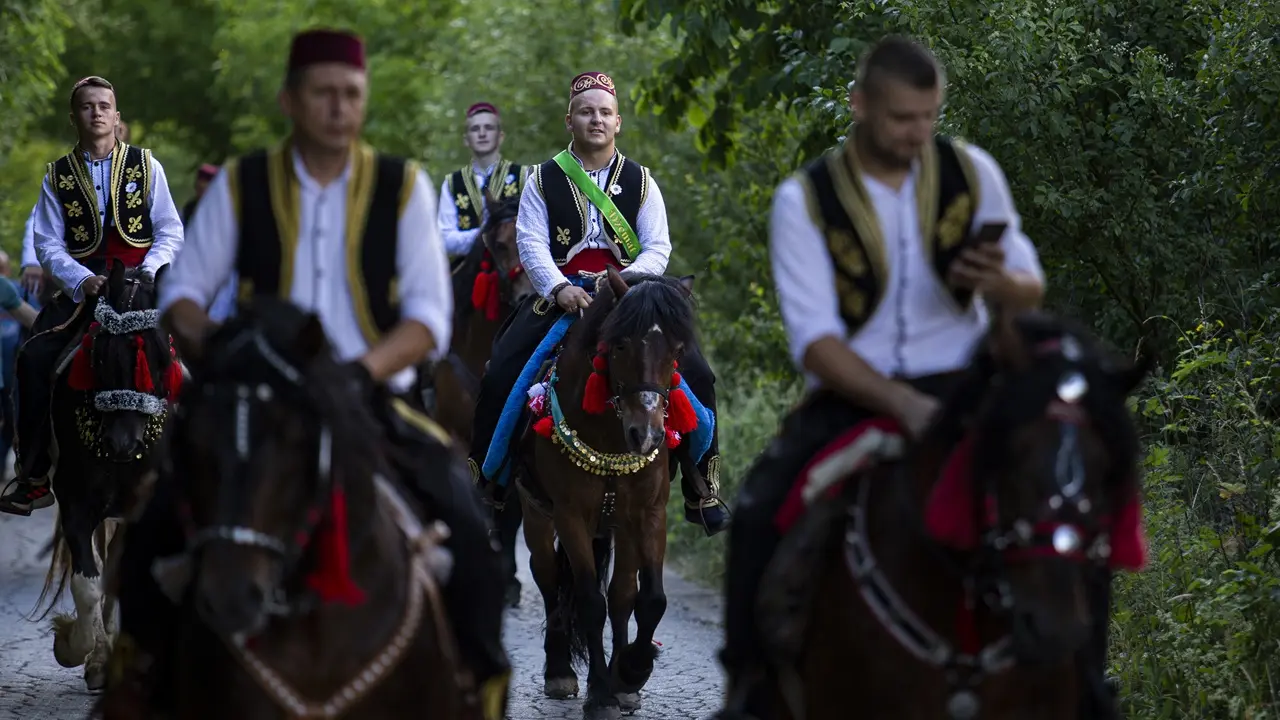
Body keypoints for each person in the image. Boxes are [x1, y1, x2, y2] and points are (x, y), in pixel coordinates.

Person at [143, 28, 509, 716]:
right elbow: (182, 295)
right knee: (154, 523)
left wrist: (358, 373)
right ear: (289, 99)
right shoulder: (243, 185)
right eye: (323, 93)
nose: (339, 107)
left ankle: (480, 689)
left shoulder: (402, 187)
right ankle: (135, 682)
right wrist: (230, 352)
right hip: (258, 406)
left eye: (351, 94)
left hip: (366, 403)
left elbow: (429, 319)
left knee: (467, 529)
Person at [712, 36, 1051, 719]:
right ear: (859, 104)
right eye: (901, 118)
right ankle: (751, 692)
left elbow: (1030, 286)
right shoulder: (805, 200)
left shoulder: (972, 172)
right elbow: (817, 345)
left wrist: (1000, 284)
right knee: (756, 514)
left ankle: (1085, 683)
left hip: (967, 386)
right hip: (852, 397)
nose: (917, 133)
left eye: (928, 116)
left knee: (1065, 505)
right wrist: (903, 404)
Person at [467, 70, 730, 536]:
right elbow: (530, 243)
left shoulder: (642, 181)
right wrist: (558, 288)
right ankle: (490, 483)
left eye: (605, 112)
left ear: (618, 122)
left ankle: (701, 487)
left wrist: (625, 285)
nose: (596, 119)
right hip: (563, 294)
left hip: (630, 296)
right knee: (501, 372)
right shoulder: (542, 180)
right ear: (569, 120)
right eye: (586, 112)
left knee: (699, 375)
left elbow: (658, 247)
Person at [0, 76, 183, 516]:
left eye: (104, 106)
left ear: (116, 116)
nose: (97, 112)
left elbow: (170, 229)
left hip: (141, 285)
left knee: (188, 356)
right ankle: (34, 476)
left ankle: (192, 465)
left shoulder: (147, 166)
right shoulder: (57, 175)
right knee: (33, 357)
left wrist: (148, 271)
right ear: (74, 117)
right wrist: (82, 280)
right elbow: (47, 242)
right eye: (87, 106)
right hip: (84, 289)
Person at [437, 102, 527, 258]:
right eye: (475, 129)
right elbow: (444, 240)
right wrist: (486, 234)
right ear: (466, 139)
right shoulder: (452, 183)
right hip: (469, 266)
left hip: (516, 264)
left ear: (500, 137)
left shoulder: (523, 176)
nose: (482, 134)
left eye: (489, 128)